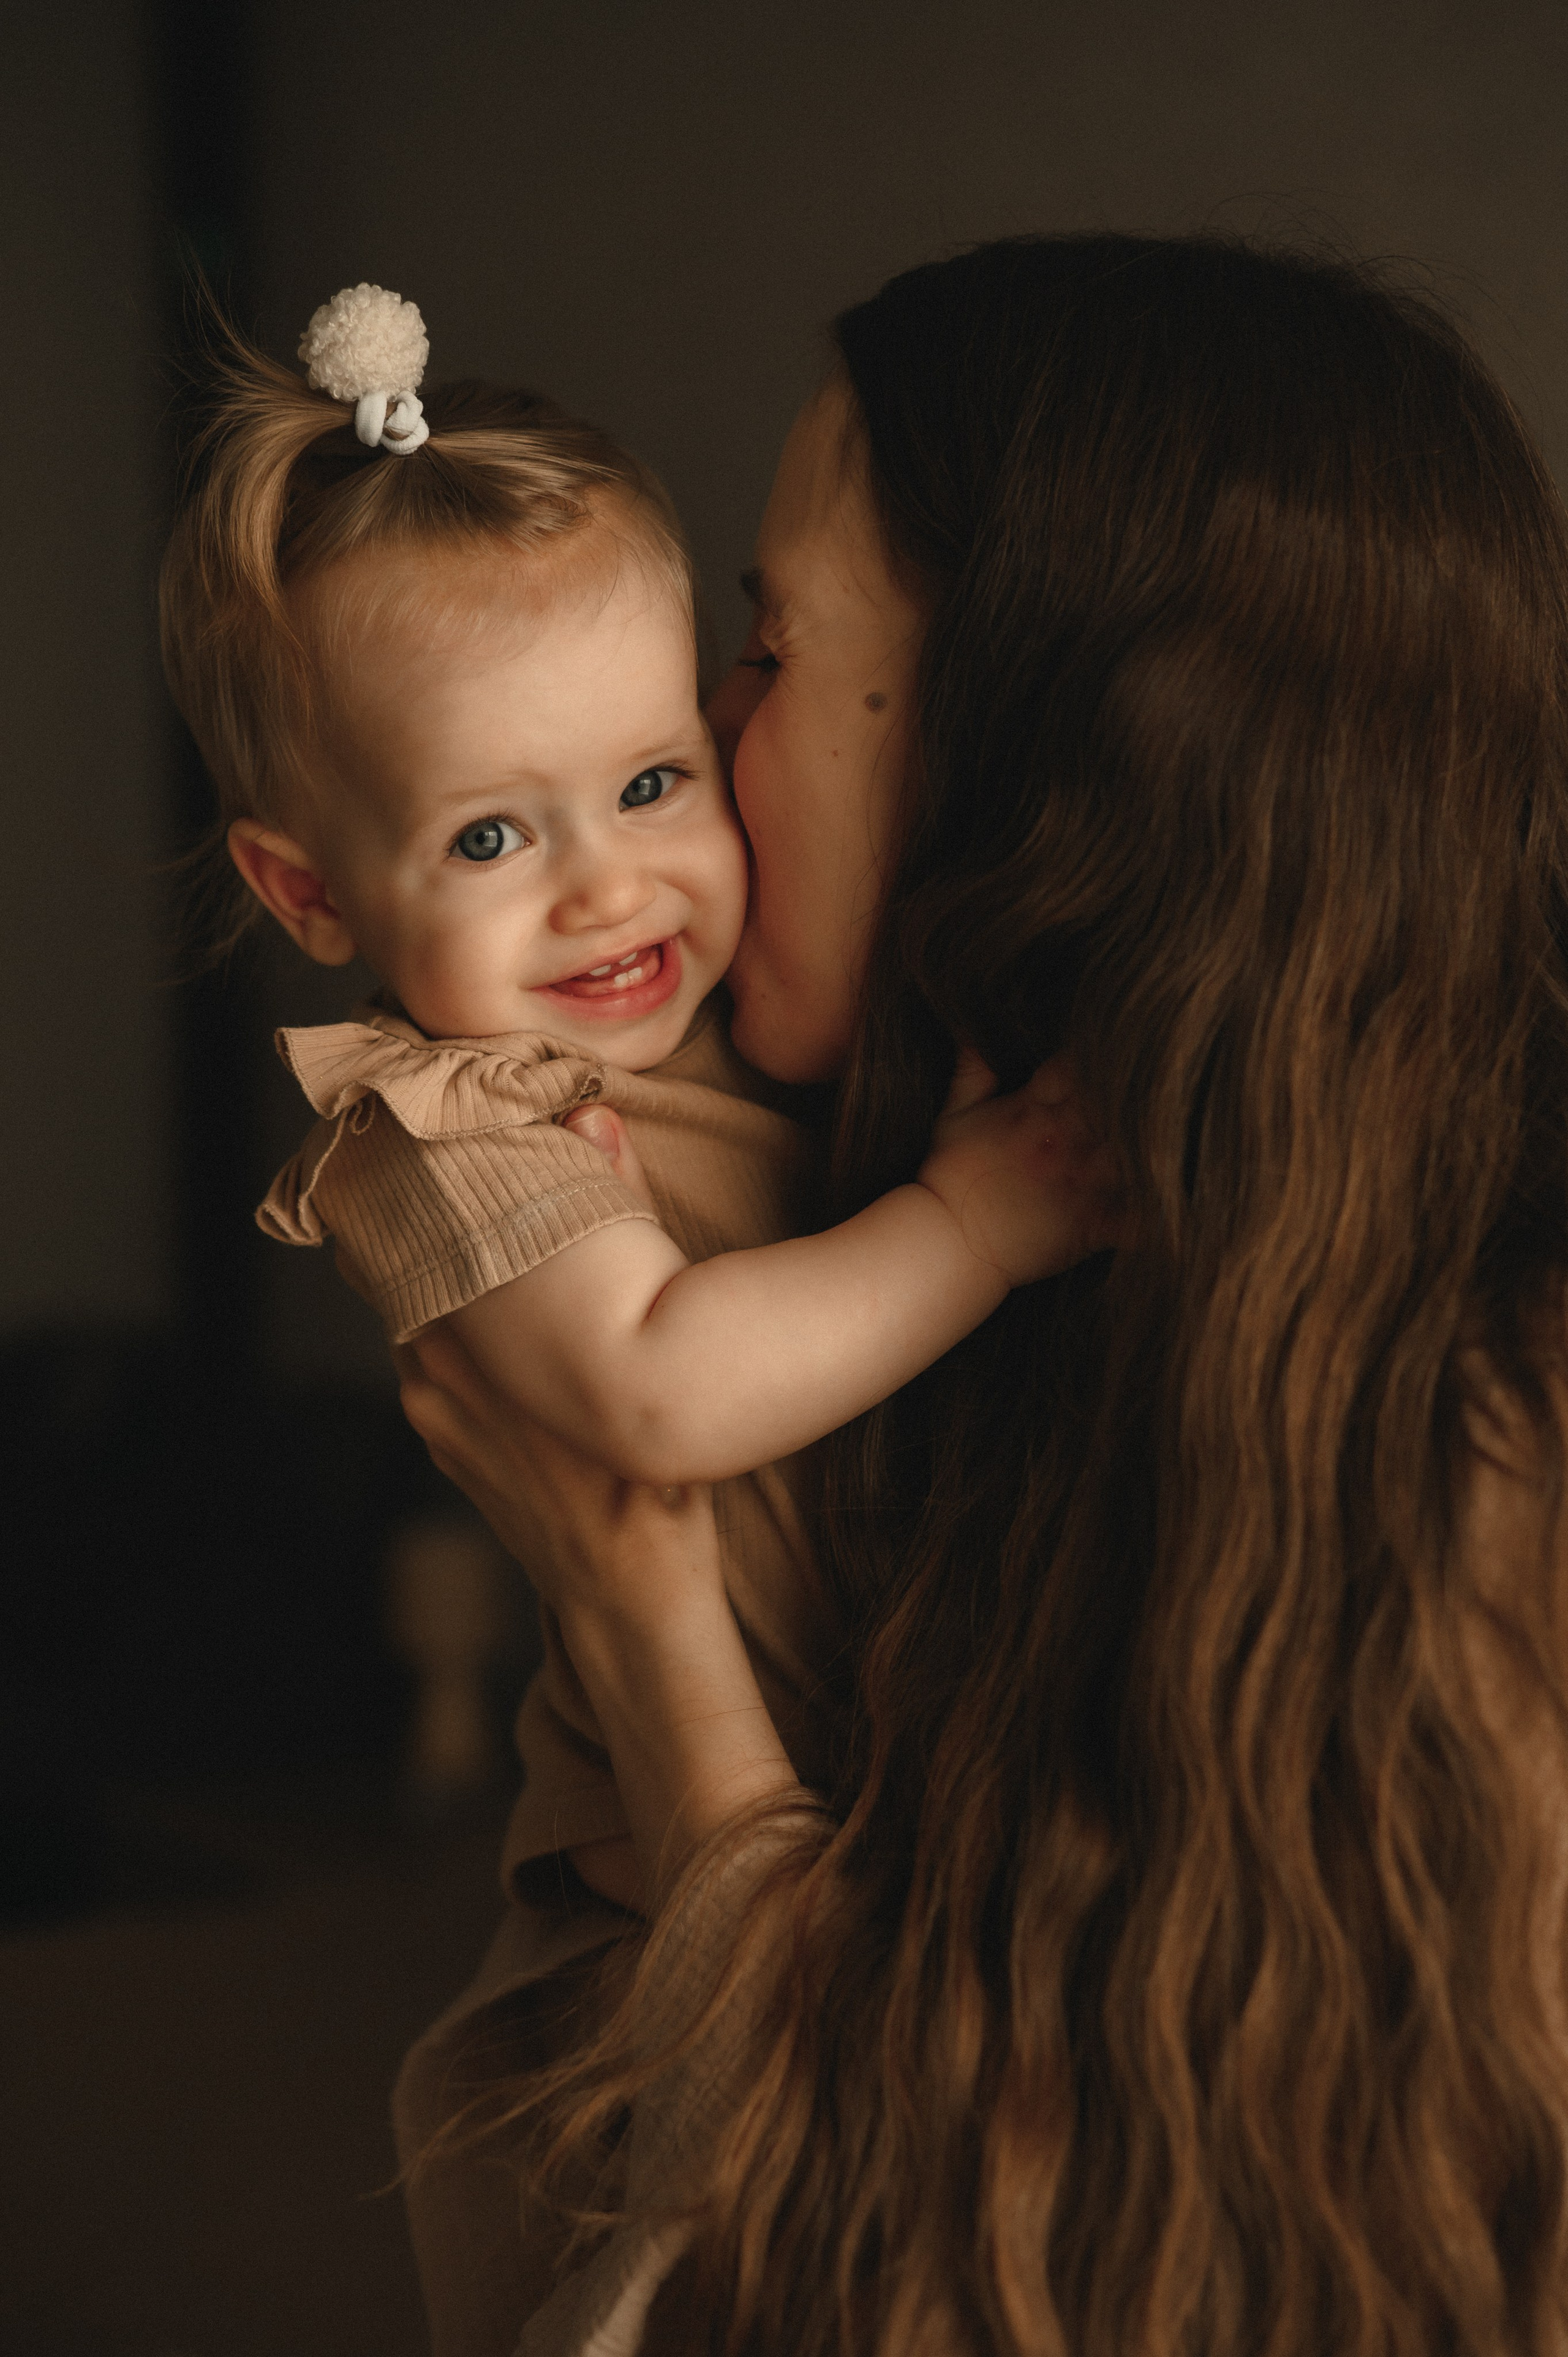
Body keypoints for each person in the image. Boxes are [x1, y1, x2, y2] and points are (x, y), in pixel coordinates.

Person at [399, 231, 1568, 2357]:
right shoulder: (835, 1232)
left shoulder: (1480, 1466)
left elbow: (956, 2270)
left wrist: (639, 1610)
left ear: (1040, 768)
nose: (703, 739)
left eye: (769, 647)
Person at [157, 282, 1120, 2344]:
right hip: (640, 1918)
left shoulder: (737, 1041)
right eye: (493, 835)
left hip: (855, 1799)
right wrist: (979, 1217)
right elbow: (667, 1400)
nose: (606, 892)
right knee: (668, 2278)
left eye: (656, 782)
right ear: (312, 894)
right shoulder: (454, 1129)